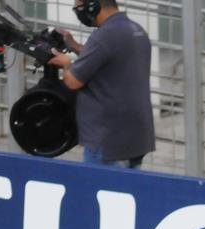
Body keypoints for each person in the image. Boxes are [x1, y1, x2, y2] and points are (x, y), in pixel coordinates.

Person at [48, 0, 154, 168]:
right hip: (136, 137)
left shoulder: (104, 35)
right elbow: (107, 56)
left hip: (107, 140)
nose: (78, 11)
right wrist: (74, 46)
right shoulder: (135, 29)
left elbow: (73, 82)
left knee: (103, 191)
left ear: (93, 6)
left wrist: (66, 64)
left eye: (80, 7)